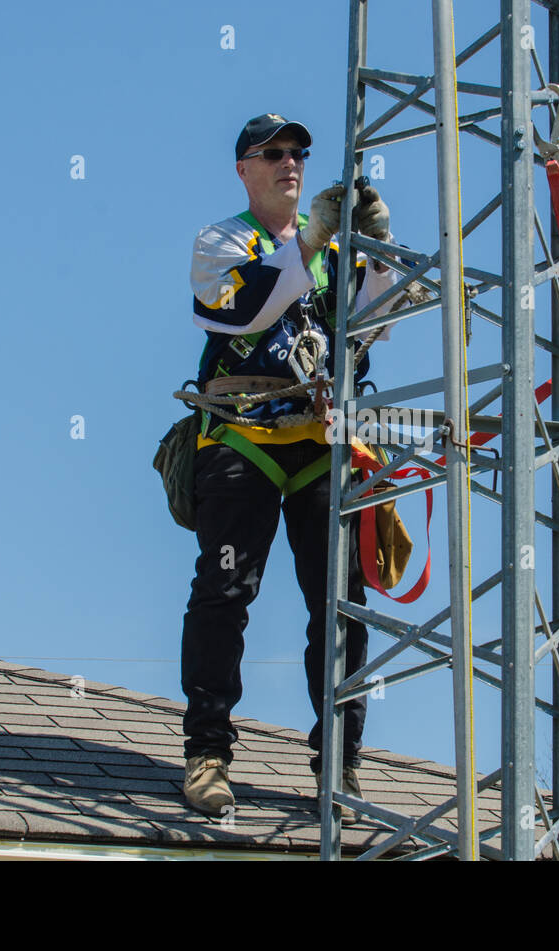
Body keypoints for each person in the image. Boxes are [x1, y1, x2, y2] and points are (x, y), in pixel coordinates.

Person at [180, 113, 402, 824]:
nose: (290, 163)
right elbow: (241, 310)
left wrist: (380, 244)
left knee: (341, 601)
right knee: (225, 591)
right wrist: (308, 241)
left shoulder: (333, 250)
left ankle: (339, 760)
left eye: (298, 153)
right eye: (272, 154)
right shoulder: (223, 241)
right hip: (242, 436)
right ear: (244, 169)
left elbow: (380, 319)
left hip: (318, 440)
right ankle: (207, 753)